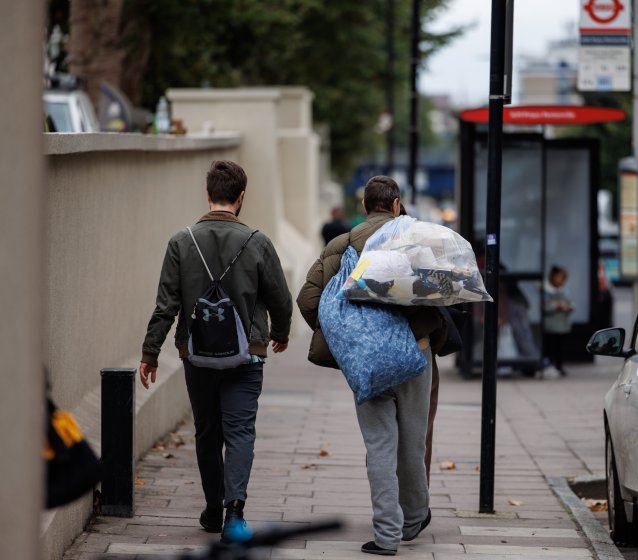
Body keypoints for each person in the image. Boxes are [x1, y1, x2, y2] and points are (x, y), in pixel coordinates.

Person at [139, 160, 294, 543]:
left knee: (207, 432)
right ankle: (234, 515)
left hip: (197, 355)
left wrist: (150, 353)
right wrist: (280, 333)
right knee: (240, 432)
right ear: (241, 198)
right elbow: (281, 299)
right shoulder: (258, 241)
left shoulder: (181, 241)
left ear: (208, 194)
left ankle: (212, 508)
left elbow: (166, 305)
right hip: (247, 355)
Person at [297, 176, 446, 556]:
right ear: (396, 205)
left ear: (365, 207)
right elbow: (443, 292)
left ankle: (386, 535)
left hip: (367, 358)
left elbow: (308, 298)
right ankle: (414, 520)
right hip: (415, 353)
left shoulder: (342, 245)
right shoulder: (417, 240)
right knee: (412, 443)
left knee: (379, 445)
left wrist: (346, 338)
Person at [543, 265, 574, 376]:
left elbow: (571, 303)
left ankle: (558, 366)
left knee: (559, 348)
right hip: (551, 326)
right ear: (553, 277)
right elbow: (545, 306)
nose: (562, 281)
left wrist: (569, 307)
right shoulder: (546, 290)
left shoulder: (564, 290)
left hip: (563, 326)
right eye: (560, 278)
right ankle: (549, 366)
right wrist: (558, 307)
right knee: (550, 348)